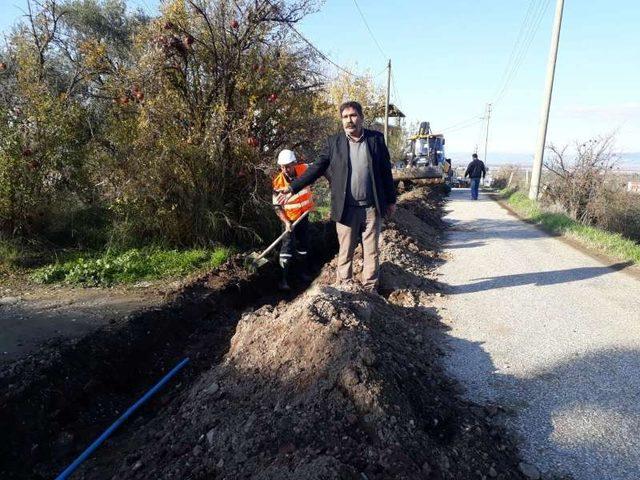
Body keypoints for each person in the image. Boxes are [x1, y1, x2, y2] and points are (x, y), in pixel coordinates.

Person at [275, 101, 396, 292]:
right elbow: (316, 168)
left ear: (361, 117)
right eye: (345, 117)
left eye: (353, 115)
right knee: (345, 249)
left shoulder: (376, 140)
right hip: (346, 208)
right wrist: (292, 188)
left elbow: (385, 172)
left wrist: (391, 200)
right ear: (341, 120)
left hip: (371, 207)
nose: (350, 120)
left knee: (371, 250)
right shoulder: (334, 143)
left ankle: (370, 288)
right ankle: (345, 286)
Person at [272, 149, 314, 291]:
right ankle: (283, 280)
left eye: (288, 166)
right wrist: (286, 222)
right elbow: (277, 207)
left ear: (294, 164)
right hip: (289, 219)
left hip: (304, 216)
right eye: (282, 167)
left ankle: (302, 273)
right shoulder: (278, 182)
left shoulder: (304, 169)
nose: (285, 170)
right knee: (287, 249)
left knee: (304, 245)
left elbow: (320, 168)